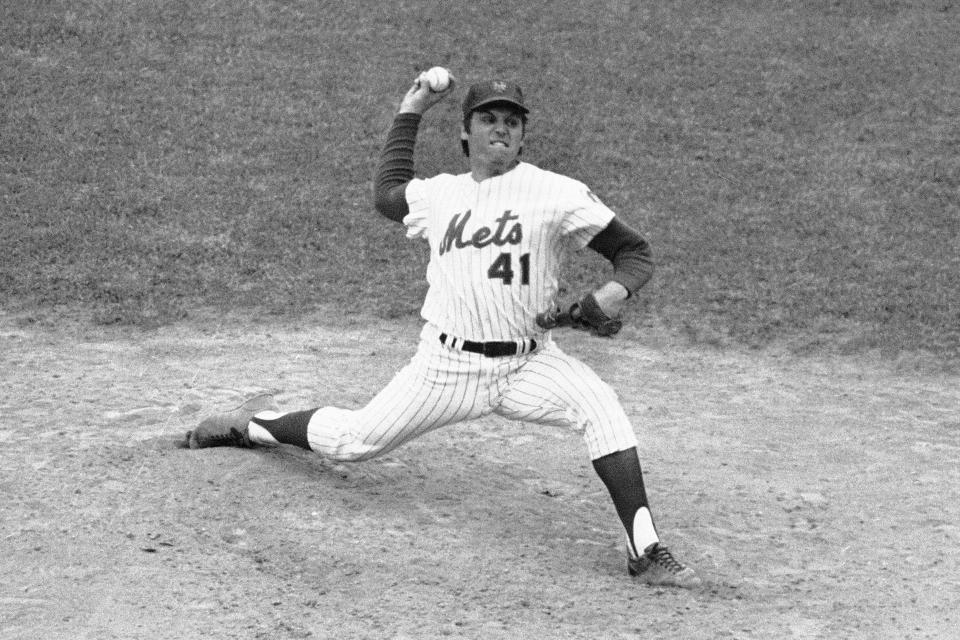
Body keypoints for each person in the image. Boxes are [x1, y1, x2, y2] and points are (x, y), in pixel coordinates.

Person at [185, 70, 701, 588]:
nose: (501, 128)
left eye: (512, 121)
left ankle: (646, 550)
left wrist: (609, 295)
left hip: (529, 362)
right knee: (353, 441)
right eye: (488, 118)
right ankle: (252, 426)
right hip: (446, 367)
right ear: (466, 133)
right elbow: (387, 193)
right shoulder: (439, 196)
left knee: (602, 409)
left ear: (523, 135)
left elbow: (633, 253)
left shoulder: (556, 194)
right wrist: (411, 110)